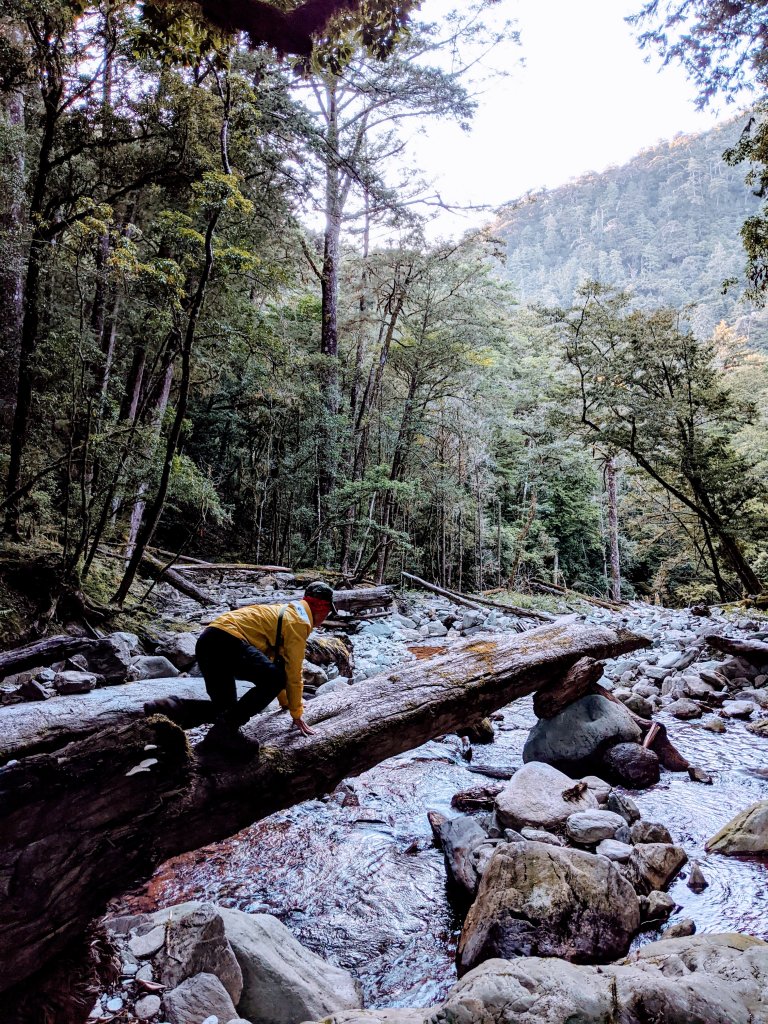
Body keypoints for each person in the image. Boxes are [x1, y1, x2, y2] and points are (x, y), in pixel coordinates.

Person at [145, 581, 337, 759]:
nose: (326, 617)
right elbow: (292, 674)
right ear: (321, 607)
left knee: (227, 711)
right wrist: (297, 713)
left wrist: (286, 702)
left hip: (208, 641)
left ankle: (170, 709)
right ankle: (224, 734)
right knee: (273, 681)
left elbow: (273, 664)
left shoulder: (288, 612)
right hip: (227, 641)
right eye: (328, 611)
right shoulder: (299, 622)